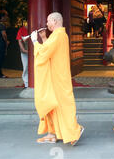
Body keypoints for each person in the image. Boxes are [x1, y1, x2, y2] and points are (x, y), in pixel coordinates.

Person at [30, 12, 84, 145]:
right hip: (56, 76)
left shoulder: (59, 35)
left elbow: (43, 54)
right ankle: (52, 134)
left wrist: (35, 41)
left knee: (62, 105)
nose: (47, 24)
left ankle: (74, 131)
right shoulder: (57, 35)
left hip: (58, 77)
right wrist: (43, 38)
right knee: (51, 104)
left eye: (48, 21)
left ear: (54, 21)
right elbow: (50, 50)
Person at [16, 21, 29, 88]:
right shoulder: (21, 29)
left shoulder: (34, 28)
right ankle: (26, 84)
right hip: (24, 52)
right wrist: (23, 50)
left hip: (34, 51)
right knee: (26, 67)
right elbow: (19, 41)